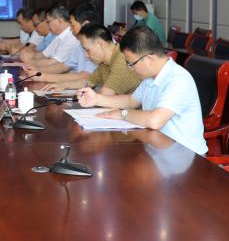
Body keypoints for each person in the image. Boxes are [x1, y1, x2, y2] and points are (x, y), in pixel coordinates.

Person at [75, 25, 206, 155]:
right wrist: (97, 99)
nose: (130, 68)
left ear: (149, 59)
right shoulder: (150, 78)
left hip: (185, 157)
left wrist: (122, 114)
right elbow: (131, 101)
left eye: (131, 64)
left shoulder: (178, 79)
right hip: (158, 150)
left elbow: (155, 120)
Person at [46, 24, 141, 94]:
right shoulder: (105, 62)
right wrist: (64, 85)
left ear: (100, 44)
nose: (86, 55)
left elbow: (106, 94)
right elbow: (89, 81)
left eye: (87, 50)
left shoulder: (121, 59)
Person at [19, 5, 78, 73]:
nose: (47, 25)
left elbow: (54, 62)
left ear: (60, 19)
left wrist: (29, 61)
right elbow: (43, 55)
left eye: (48, 22)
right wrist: (29, 55)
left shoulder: (71, 37)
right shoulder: (59, 36)